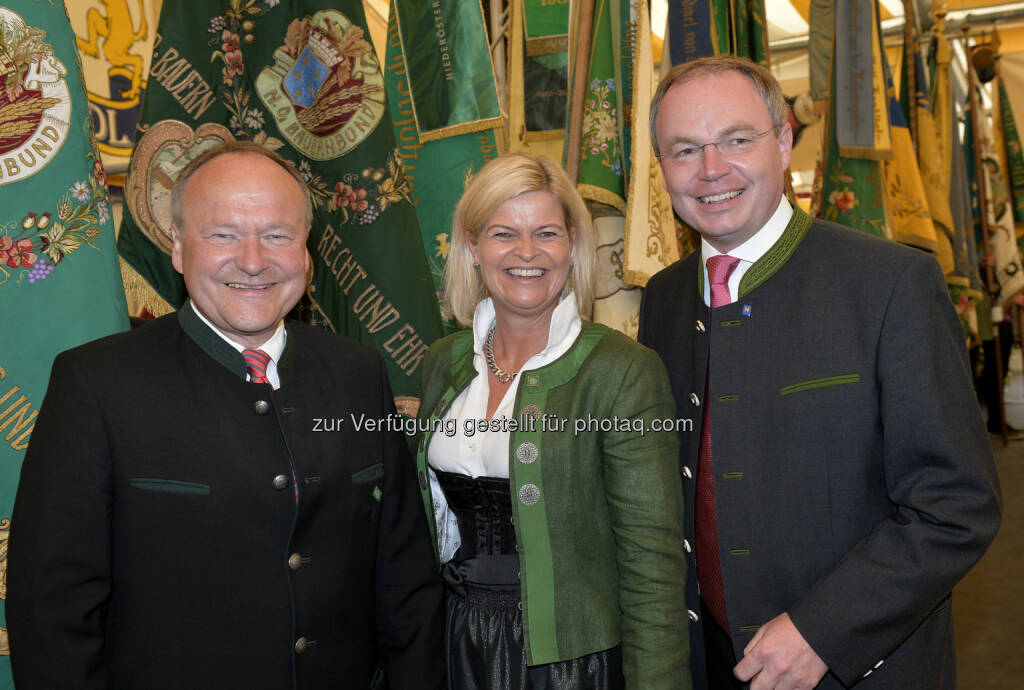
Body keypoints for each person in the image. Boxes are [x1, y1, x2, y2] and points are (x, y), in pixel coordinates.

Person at [7, 141, 445, 689]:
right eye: (223, 234)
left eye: (278, 236)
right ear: (177, 246)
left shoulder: (359, 373)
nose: (254, 260)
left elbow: (405, 581)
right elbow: (53, 614)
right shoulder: (96, 385)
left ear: (306, 252)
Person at [639, 56, 1002, 690]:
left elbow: (956, 506)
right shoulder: (664, 300)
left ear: (783, 142)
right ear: (661, 168)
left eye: (737, 139)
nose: (711, 169)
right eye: (684, 149)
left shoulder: (890, 284)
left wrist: (823, 629)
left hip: (857, 671)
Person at [413, 153, 690, 689]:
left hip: (568, 664)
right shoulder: (441, 362)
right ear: (472, 247)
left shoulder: (623, 371)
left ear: (573, 247)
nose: (526, 252)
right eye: (502, 233)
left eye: (546, 232)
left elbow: (651, 563)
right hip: (450, 643)